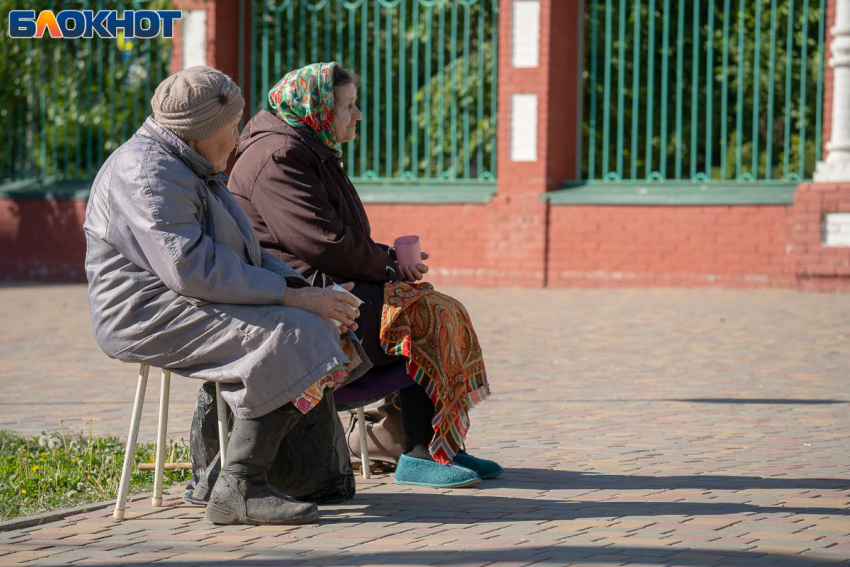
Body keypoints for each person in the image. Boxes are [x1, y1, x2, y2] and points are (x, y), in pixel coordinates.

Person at [83, 66, 372, 526]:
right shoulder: (147, 173)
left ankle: (240, 476)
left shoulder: (192, 163)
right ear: (202, 131)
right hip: (145, 312)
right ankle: (238, 486)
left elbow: (248, 256)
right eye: (231, 127)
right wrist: (294, 302)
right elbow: (193, 270)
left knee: (321, 326)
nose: (237, 138)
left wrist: (310, 294)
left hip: (190, 297)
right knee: (294, 335)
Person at [228, 62, 502, 488]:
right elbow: (323, 243)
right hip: (307, 293)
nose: (357, 115)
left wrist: (389, 262)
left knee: (435, 308)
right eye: (349, 105)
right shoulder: (279, 155)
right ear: (318, 108)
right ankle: (416, 453)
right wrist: (389, 265)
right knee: (429, 314)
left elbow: (335, 239)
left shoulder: (308, 146)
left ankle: (441, 445)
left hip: (336, 283)